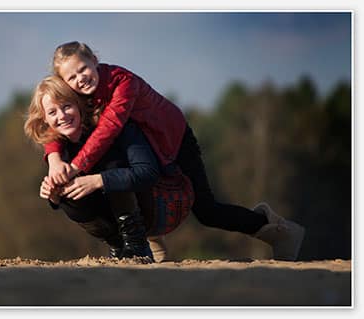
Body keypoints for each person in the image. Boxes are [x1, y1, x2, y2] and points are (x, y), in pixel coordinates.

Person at [40, 41, 304, 261]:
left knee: (206, 210)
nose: (79, 78)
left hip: (174, 140)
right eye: (71, 77)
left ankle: (275, 230)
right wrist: (53, 158)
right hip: (140, 145)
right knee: (120, 173)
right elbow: (50, 120)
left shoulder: (123, 83)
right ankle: (146, 239)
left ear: (95, 60)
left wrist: (75, 168)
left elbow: (109, 128)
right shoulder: (78, 97)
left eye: (83, 68)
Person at [24, 75, 157, 261]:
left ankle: (136, 244)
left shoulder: (109, 127)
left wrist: (97, 181)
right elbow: (62, 197)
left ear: (79, 105)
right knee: (65, 187)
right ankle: (116, 243)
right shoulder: (58, 147)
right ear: (44, 119)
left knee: (110, 160)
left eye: (66, 106)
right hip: (109, 219)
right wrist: (54, 196)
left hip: (152, 205)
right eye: (52, 112)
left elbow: (149, 174)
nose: (62, 116)